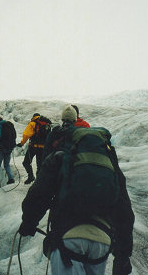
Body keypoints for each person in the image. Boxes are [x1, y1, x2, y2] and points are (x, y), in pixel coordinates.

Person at [19, 105, 134, 275]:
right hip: (101, 242)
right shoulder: (105, 159)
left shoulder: (60, 156)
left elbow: (39, 193)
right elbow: (123, 207)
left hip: (68, 236)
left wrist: (29, 222)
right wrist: (123, 255)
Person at [17, 113, 51, 184]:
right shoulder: (46, 124)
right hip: (42, 148)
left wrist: (22, 143)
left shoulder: (32, 123)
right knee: (40, 165)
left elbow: (26, 135)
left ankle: (31, 177)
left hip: (33, 147)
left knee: (26, 162)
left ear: (33, 117)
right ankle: (39, 182)